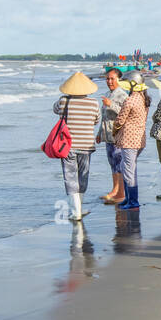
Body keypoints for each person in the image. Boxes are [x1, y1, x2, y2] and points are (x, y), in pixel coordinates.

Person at [52, 72, 101, 222]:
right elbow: (96, 120)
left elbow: (55, 110)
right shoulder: (94, 103)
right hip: (86, 145)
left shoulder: (63, 102)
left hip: (67, 146)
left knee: (70, 176)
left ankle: (76, 211)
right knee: (82, 176)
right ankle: (80, 207)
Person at [113, 77, 151, 210]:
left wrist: (114, 128)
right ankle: (128, 198)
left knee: (128, 169)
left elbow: (120, 119)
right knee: (127, 166)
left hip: (129, 140)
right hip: (139, 139)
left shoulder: (130, 100)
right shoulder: (144, 99)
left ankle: (133, 201)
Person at [98, 69, 129, 204]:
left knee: (118, 163)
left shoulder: (122, 95)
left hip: (118, 135)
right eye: (107, 79)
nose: (109, 81)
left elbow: (125, 113)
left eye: (112, 79)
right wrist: (99, 133)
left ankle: (120, 192)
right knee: (112, 163)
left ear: (118, 79)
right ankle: (114, 189)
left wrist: (111, 105)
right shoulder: (107, 94)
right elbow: (104, 116)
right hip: (107, 134)